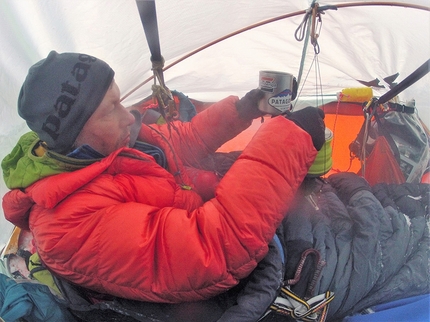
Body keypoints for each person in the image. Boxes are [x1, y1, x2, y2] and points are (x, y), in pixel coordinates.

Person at [1, 51, 326, 305]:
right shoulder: (67, 225)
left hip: (206, 202)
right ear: (74, 132)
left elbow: (178, 142)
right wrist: (289, 138)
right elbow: (213, 248)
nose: (129, 116)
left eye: (119, 101)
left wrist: (243, 110)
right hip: (217, 263)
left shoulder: (103, 144)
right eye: (110, 109)